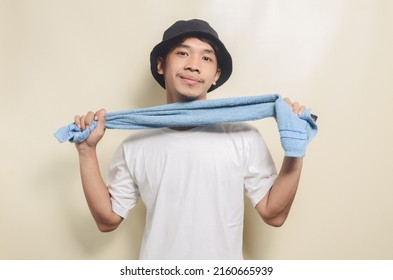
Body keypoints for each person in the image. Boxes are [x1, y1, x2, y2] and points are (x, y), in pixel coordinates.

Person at [74, 19, 309, 259]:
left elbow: (274, 215)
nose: (194, 65)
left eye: (206, 58)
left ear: (216, 75)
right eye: (183, 53)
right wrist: (86, 151)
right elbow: (107, 221)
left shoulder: (243, 137)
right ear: (161, 65)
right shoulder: (134, 146)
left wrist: (295, 148)